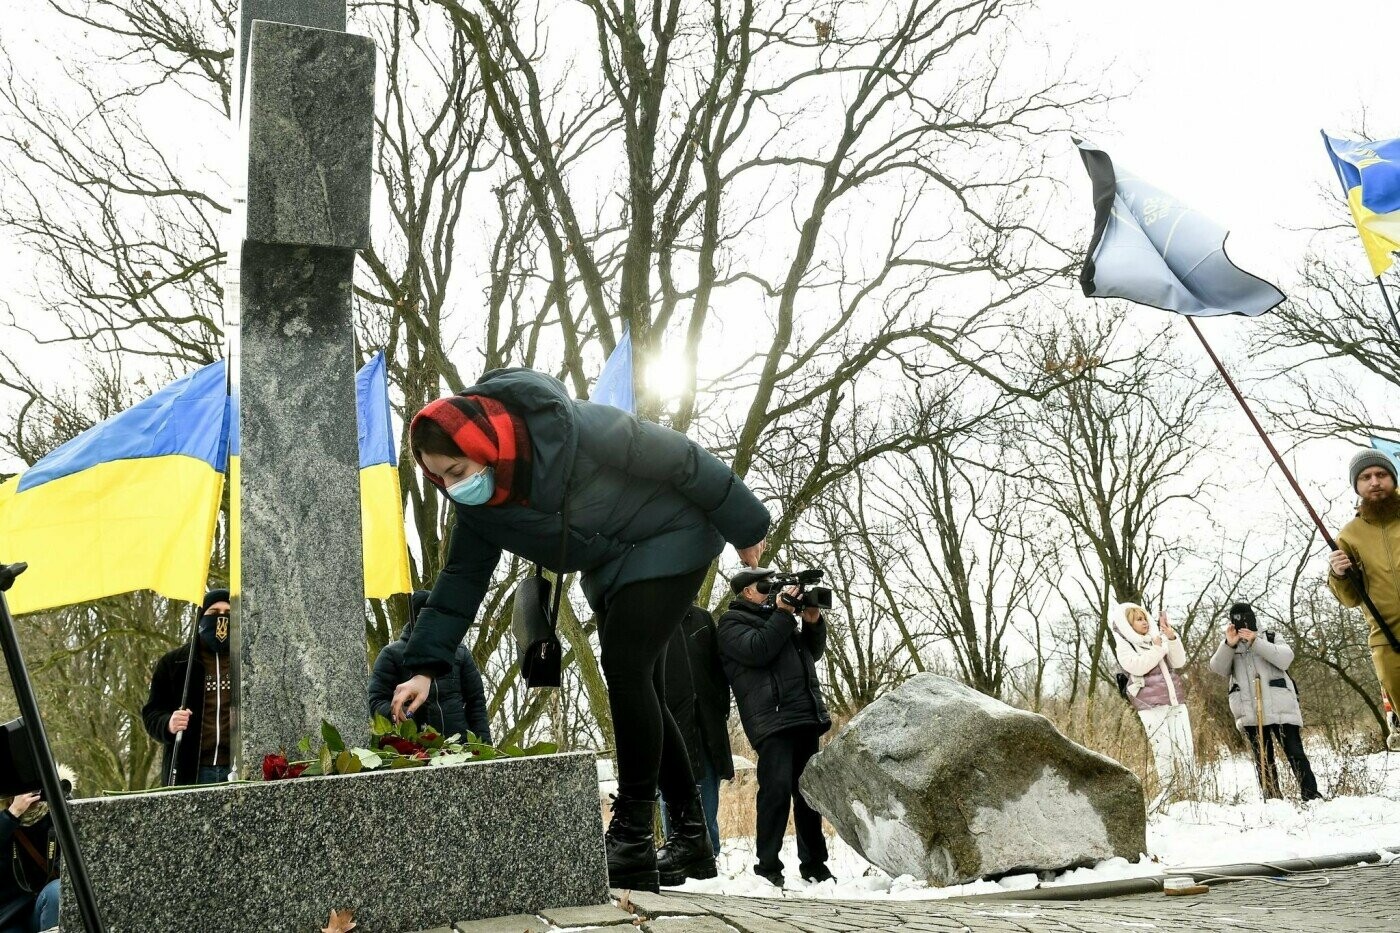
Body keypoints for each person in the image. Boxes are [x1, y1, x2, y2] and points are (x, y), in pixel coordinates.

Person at [389, 368, 769, 892]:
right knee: (646, 691)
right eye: (441, 480)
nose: (454, 487)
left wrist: (744, 525)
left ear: (485, 443)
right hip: (615, 567)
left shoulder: (572, 430)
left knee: (625, 665)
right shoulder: (478, 510)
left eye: (456, 469)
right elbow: (459, 581)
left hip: (673, 534)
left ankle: (633, 833)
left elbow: (680, 457)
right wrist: (425, 668)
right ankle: (692, 836)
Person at [718, 568, 832, 888]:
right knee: (776, 793)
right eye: (763, 586)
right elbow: (758, 650)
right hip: (772, 721)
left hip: (803, 715)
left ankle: (815, 866)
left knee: (808, 794)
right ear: (746, 593)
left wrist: (811, 621)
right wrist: (783, 613)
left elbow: (812, 653)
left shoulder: (779, 619)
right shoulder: (731, 624)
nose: (770, 591)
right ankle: (768, 867)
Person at [1208, 602, 1321, 801]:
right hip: (1250, 710)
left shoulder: (1270, 636)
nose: (1242, 622)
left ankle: (1310, 794)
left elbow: (1285, 659)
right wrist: (1229, 644)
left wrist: (1255, 641)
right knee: (1263, 758)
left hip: (1280, 707)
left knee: (1295, 752)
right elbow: (1218, 668)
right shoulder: (1229, 644)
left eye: (1245, 617)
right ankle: (1272, 797)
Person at [1327, 448, 1400, 750]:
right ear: (1356, 486)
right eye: (1365, 477)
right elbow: (1349, 599)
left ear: (1393, 480)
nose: (1374, 481)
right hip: (1386, 639)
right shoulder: (1349, 536)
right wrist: (1340, 575)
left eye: (1381, 474)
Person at [657, 606, 734, 884]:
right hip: (671, 722)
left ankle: (710, 856)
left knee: (708, 788)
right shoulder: (652, 617)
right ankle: (674, 853)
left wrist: (716, 706)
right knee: (671, 792)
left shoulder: (702, 618)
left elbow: (717, 668)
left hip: (706, 723)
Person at [369, 590, 491, 743]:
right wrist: (400, 714)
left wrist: (485, 745)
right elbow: (376, 701)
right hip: (413, 749)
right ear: (417, 618)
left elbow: (476, 702)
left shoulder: (459, 653)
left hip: (460, 747)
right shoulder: (390, 655)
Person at [142, 589, 234, 785]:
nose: (221, 619)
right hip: (190, 772)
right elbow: (151, 714)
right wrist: (169, 723)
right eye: (214, 612)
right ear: (201, 617)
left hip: (237, 769)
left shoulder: (246, 663)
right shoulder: (175, 663)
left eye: (228, 613)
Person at [1110, 602, 1194, 797]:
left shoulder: (1158, 639)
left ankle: (1191, 793)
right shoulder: (1124, 645)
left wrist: (1171, 637)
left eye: (1145, 618)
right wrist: (1157, 649)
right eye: (1138, 620)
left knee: (1185, 747)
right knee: (1163, 750)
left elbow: (1179, 662)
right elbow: (1136, 667)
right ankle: (1170, 794)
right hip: (1150, 705)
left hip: (1175, 701)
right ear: (1127, 625)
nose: (1144, 622)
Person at [0, 766, 72, 933]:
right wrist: (13, 814)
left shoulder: (55, 816)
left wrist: (61, 803)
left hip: (46, 906)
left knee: (57, 891)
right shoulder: (5, 820)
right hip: (8, 916)